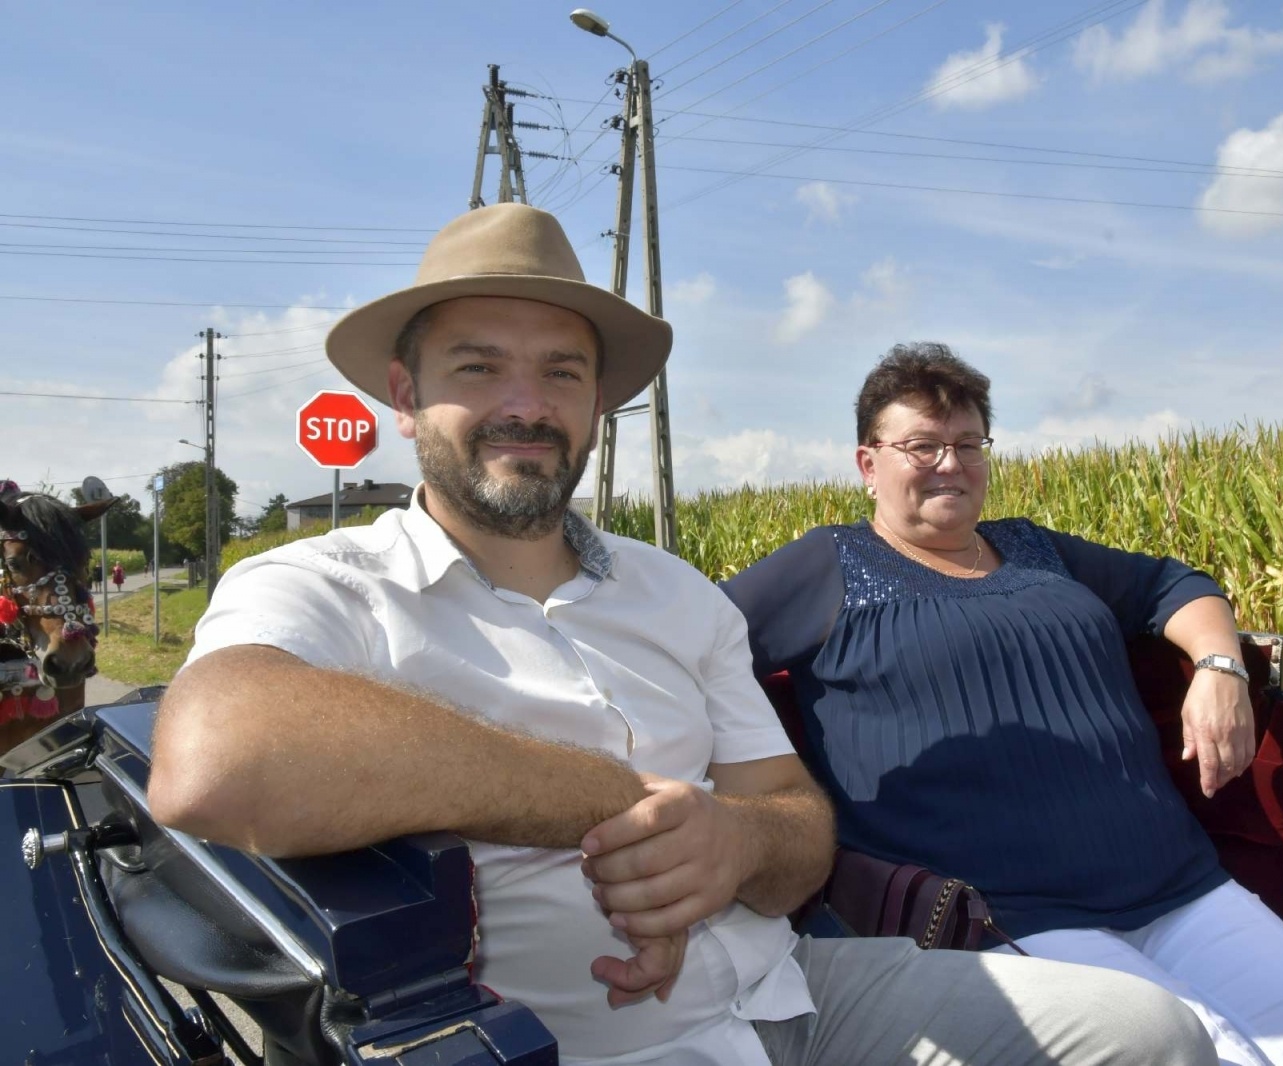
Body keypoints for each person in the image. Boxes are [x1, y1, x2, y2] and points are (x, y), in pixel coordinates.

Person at [147, 206, 1216, 1066]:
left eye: (562, 372)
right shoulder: (324, 584)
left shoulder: (679, 593)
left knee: (1148, 1032)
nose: (526, 404)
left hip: (794, 998)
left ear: (596, 402)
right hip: (574, 1040)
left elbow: (795, 825)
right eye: (477, 367)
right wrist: (613, 805)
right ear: (403, 394)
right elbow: (215, 758)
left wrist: (735, 842)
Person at [722, 343, 1283, 1066]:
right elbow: (695, 645)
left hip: (1175, 884)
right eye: (922, 445)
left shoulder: (1035, 551)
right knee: (1204, 1049)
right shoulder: (830, 565)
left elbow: (1174, 585)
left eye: (968, 444)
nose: (950, 464)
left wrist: (1220, 666)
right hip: (1003, 913)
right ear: (868, 464)